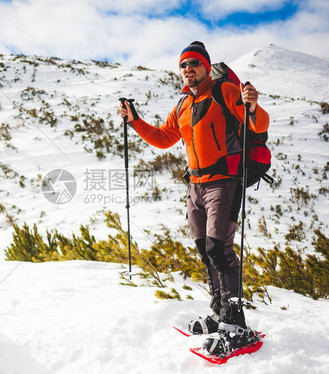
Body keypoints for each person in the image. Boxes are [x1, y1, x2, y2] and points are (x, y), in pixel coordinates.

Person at [118, 41, 269, 355]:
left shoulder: (225, 91)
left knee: (220, 248)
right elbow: (163, 138)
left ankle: (236, 324)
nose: (188, 70)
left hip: (224, 183)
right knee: (205, 249)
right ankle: (219, 313)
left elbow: (258, 124)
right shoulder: (183, 104)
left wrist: (252, 106)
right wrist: (135, 120)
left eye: (194, 64)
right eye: (183, 66)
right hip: (196, 186)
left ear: (205, 65)